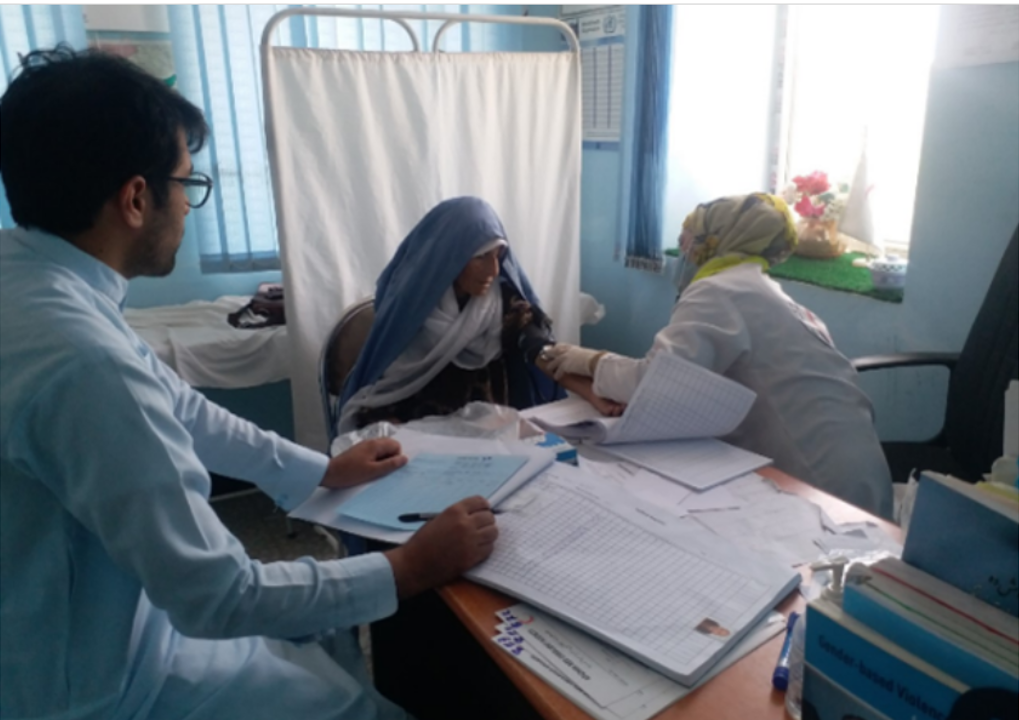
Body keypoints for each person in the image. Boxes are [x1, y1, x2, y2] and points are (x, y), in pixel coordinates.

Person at [0, 48, 498, 720]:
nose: (189, 203)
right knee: (363, 703)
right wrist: (408, 568)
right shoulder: (85, 362)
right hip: (100, 683)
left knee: (323, 643)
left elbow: (179, 408)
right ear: (136, 198)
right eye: (188, 183)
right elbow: (216, 596)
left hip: (82, 618)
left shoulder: (31, 280)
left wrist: (320, 471)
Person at [545, 193, 893, 518]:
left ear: (715, 241)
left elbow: (654, 381)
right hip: (864, 477)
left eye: (687, 241)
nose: (683, 253)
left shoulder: (720, 291)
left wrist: (586, 360)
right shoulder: (763, 291)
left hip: (822, 487)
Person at [337, 196, 621, 432]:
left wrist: (592, 393)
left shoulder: (500, 303)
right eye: (481, 257)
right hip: (418, 436)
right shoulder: (410, 311)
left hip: (487, 436)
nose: (493, 271)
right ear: (449, 256)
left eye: (498, 257)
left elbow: (540, 350)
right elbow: (383, 389)